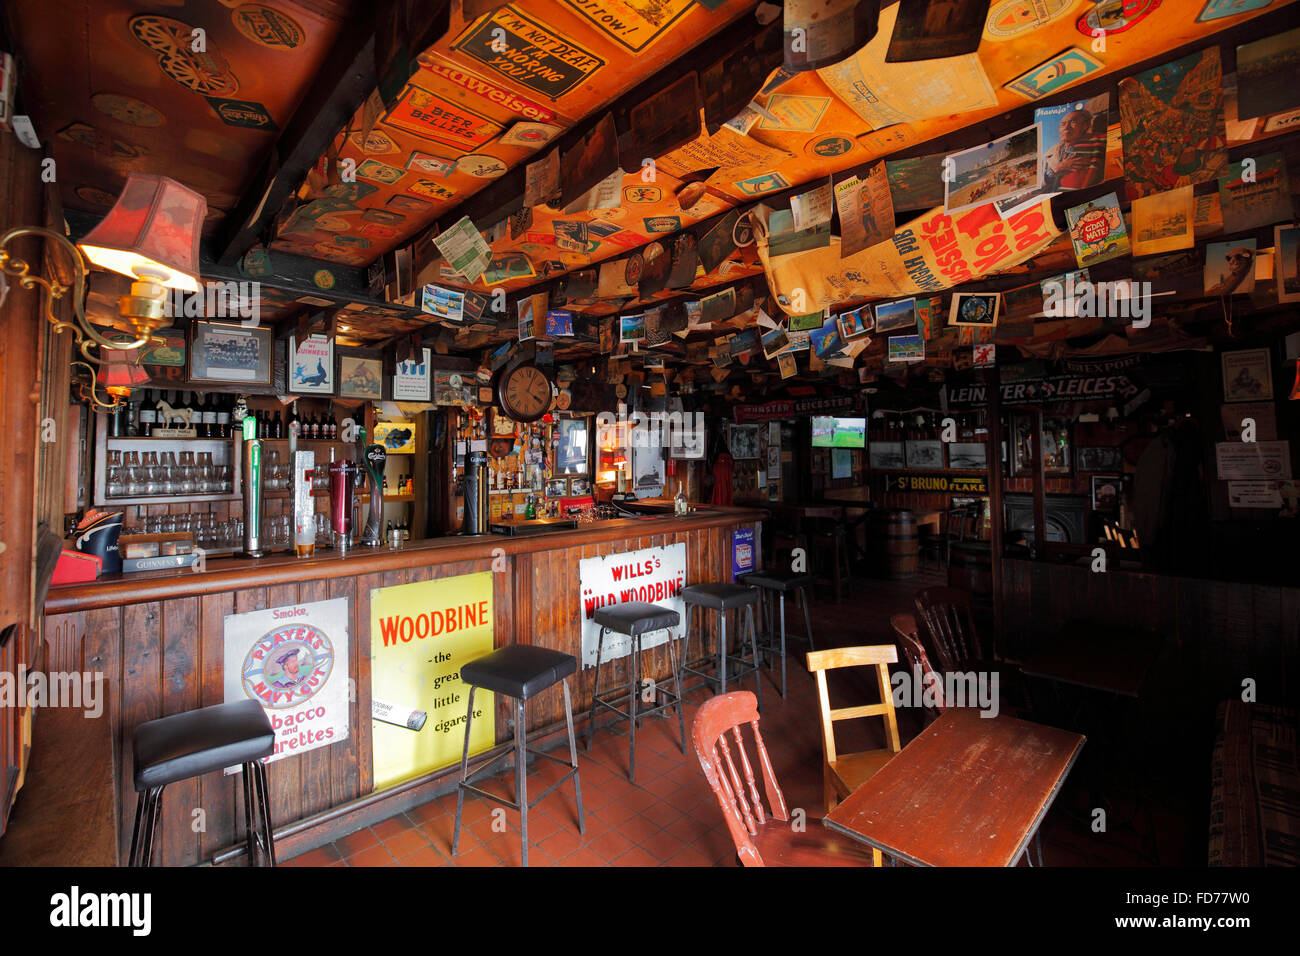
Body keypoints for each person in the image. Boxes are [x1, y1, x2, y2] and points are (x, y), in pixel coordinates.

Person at [1044, 108, 1105, 191]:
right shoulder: (1052, 152)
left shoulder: (1097, 142)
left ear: (1085, 126)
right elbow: (1044, 182)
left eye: (1073, 122)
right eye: (1063, 124)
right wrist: (1058, 168)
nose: (1066, 127)